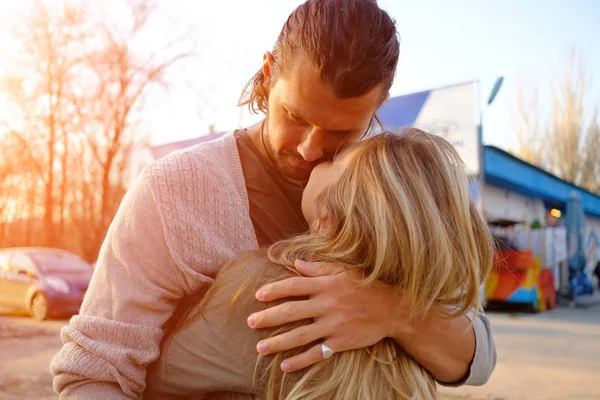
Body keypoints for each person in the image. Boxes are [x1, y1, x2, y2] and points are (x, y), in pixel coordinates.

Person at [51, 1, 496, 398]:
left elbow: (479, 357)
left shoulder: (397, 193)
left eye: (342, 132)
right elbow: (94, 371)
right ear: (268, 74)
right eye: (295, 117)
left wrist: (395, 313)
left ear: (379, 103)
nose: (308, 149)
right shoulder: (174, 191)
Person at [144, 130, 494, 400]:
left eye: (335, 160)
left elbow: (159, 379)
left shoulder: (264, 287)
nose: (315, 156)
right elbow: (480, 352)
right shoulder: (428, 300)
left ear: (326, 219)